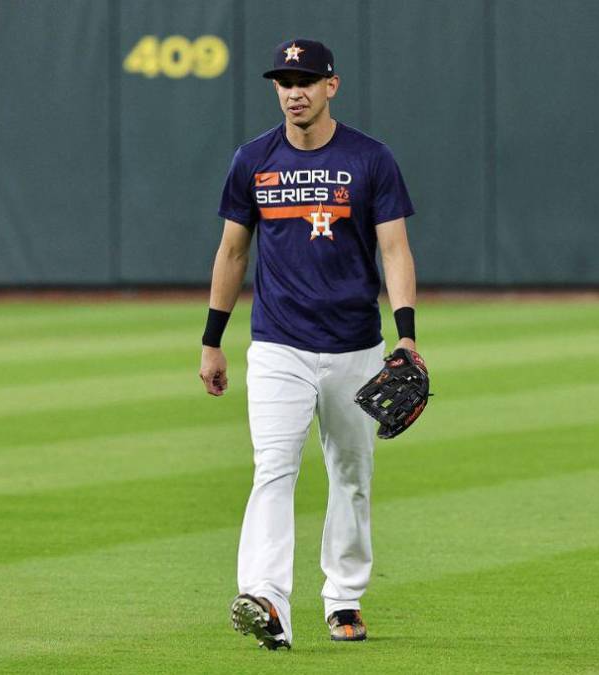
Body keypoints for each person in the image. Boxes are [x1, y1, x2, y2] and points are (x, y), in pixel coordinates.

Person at [198, 37, 420, 650]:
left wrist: (406, 337)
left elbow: (395, 249)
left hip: (354, 345)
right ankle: (267, 600)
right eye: (283, 81)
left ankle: (343, 596)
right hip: (278, 345)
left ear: (331, 86)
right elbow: (233, 251)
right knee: (274, 467)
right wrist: (212, 340)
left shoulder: (370, 159)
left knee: (351, 474)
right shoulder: (253, 160)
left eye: (306, 80)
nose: (294, 91)